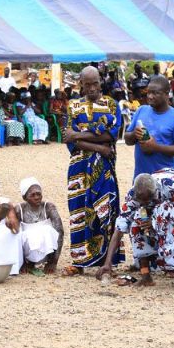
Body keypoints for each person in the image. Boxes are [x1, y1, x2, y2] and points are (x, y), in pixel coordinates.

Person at [96, 170, 174, 288]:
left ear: (154, 192)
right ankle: (146, 276)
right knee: (137, 222)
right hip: (159, 208)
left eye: (148, 199)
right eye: (142, 200)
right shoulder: (133, 195)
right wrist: (107, 263)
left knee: (172, 223)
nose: (145, 203)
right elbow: (119, 228)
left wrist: (154, 223)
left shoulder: (173, 187)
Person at [62, 66, 122, 276]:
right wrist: (99, 146)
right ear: (81, 84)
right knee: (79, 211)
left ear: (100, 82)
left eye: (95, 83)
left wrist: (81, 135)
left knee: (107, 209)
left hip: (104, 168)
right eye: (87, 84)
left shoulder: (112, 105)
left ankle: (108, 261)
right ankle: (79, 262)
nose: (92, 88)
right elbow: (68, 139)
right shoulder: (73, 106)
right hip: (79, 168)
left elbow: (112, 135)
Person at [125, 76, 174, 179]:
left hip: (166, 180)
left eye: (155, 93)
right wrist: (134, 134)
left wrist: (156, 147)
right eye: (149, 92)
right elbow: (128, 140)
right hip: (141, 178)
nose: (150, 96)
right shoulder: (141, 110)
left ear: (167, 94)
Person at [16, 177, 64, 276]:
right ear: (25, 197)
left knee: (48, 230)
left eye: (38, 194)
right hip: (28, 253)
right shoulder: (19, 209)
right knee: (19, 235)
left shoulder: (48, 207)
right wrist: (22, 263)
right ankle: (28, 263)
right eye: (32, 195)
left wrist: (53, 262)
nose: (37, 197)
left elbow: (60, 232)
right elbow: (15, 236)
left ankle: (48, 261)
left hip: (48, 253)